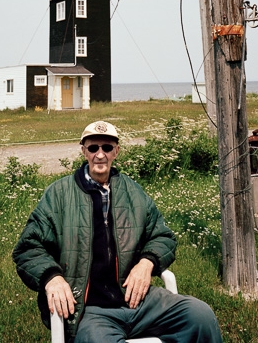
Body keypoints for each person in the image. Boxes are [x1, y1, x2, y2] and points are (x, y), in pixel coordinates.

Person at [12, 120, 222, 343]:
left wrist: (146, 263)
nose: (100, 155)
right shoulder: (59, 194)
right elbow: (28, 248)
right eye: (93, 148)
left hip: (139, 302)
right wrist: (52, 278)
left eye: (107, 148)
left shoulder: (132, 191)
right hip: (90, 309)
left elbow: (162, 236)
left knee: (201, 317)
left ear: (116, 152)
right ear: (84, 151)